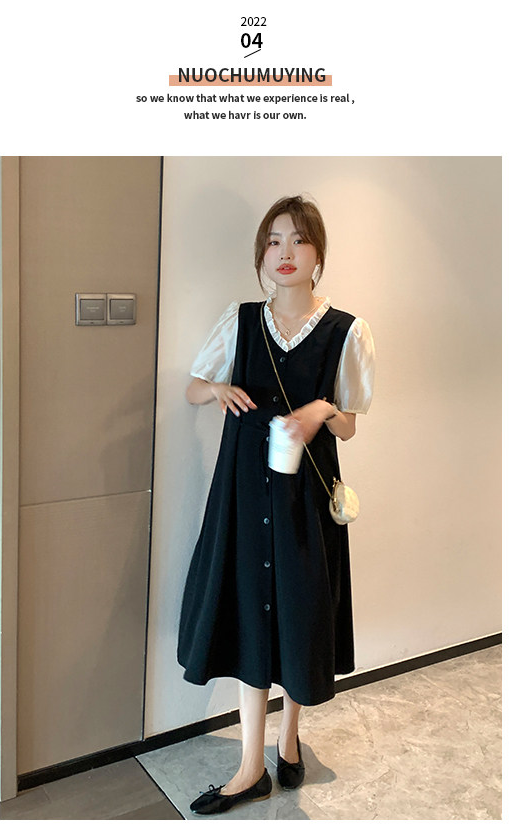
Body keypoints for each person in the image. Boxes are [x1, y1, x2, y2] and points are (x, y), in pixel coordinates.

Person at [177, 195, 375, 815]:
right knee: (248, 614)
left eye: (298, 240)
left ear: (318, 254)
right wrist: (218, 388)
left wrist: (322, 410)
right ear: (261, 255)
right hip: (243, 494)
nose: (284, 253)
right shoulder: (239, 321)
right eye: (273, 241)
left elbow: (350, 425)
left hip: (303, 501)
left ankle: (288, 741)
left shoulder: (346, 331)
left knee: (298, 611)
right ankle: (249, 767)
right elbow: (192, 389)